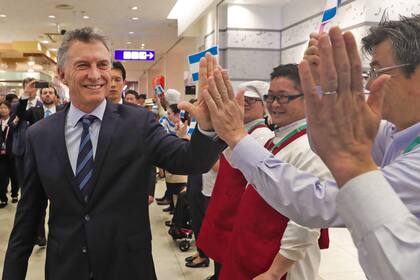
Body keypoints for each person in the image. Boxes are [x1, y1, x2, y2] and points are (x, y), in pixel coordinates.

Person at [197, 15, 420, 280]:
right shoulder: (398, 132)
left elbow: (319, 203)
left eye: (378, 72)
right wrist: (319, 87)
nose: (370, 85)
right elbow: (329, 138)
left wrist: (236, 136)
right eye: (272, 97)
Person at [2, 27, 224, 280]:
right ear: (62, 74)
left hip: (127, 266)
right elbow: (27, 217)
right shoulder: (40, 135)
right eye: (83, 65)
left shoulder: (139, 123)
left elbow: (190, 160)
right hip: (67, 268)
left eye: (103, 65)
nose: (95, 75)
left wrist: (207, 129)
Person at [196, 80, 274, 279]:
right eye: (241, 99)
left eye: (251, 100)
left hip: (237, 215)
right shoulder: (236, 130)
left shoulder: (263, 135)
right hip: (224, 210)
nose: (245, 103)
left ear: (264, 105)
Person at [0, 100, 18, 207]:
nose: (3, 110)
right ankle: (3, 198)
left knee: (14, 176)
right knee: (2, 176)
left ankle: (15, 194)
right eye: (1, 107)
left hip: (12, 153)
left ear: (10, 109)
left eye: (5, 108)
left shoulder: (14, 121)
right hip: (1, 155)